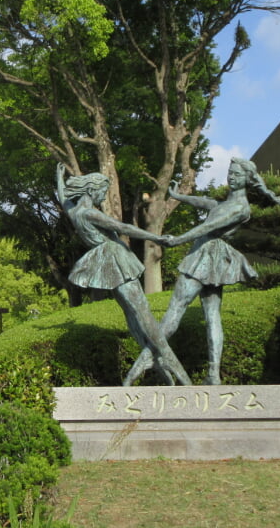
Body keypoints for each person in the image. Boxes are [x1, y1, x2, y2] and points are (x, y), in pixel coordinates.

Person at [152, 158, 280, 385]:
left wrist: (178, 240)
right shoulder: (225, 203)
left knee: (177, 307)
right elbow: (206, 203)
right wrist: (179, 197)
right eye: (230, 173)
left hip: (206, 255)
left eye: (237, 175)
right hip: (213, 258)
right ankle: (213, 374)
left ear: (248, 180)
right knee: (211, 315)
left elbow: (208, 227)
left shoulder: (241, 208)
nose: (231, 177)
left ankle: (150, 355)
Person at [57, 164, 190, 387]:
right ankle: (177, 370)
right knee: (144, 314)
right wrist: (155, 238)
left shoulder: (75, 212)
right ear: (92, 191)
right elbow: (123, 227)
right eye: (102, 191)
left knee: (133, 316)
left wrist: (59, 179)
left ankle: (155, 363)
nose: (103, 196)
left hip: (104, 261)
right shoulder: (90, 213)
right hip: (115, 258)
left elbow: (64, 199)